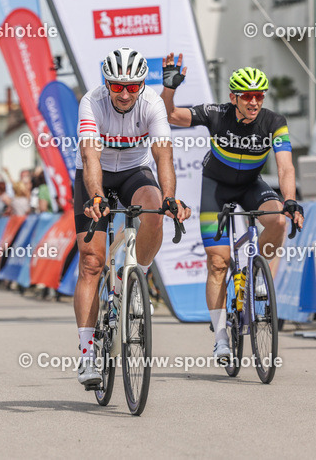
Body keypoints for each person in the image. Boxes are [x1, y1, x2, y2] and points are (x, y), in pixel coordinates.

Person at [160, 54, 304, 362]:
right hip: (216, 186)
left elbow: (285, 167)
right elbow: (169, 114)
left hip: (251, 185)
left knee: (278, 220)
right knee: (218, 263)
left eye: (259, 96)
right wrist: (170, 87)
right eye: (247, 96)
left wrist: (290, 200)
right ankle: (222, 337)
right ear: (233, 98)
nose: (254, 102)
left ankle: (257, 277)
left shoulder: (274, 122)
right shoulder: (216, 114)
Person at [73, 47, 191, 388]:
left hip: (133, 172)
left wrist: (170, 198)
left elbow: (163, 155)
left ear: (141, 85)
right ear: (106, 83)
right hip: (94, 175)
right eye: (117, 86)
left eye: (132, 86)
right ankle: (86, 355)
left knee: (154, 209)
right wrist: (95, 195)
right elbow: (90, 155)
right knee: (92, 263)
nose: (124, 93)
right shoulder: (92, 102)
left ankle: (136, 279)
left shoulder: (152, 103)